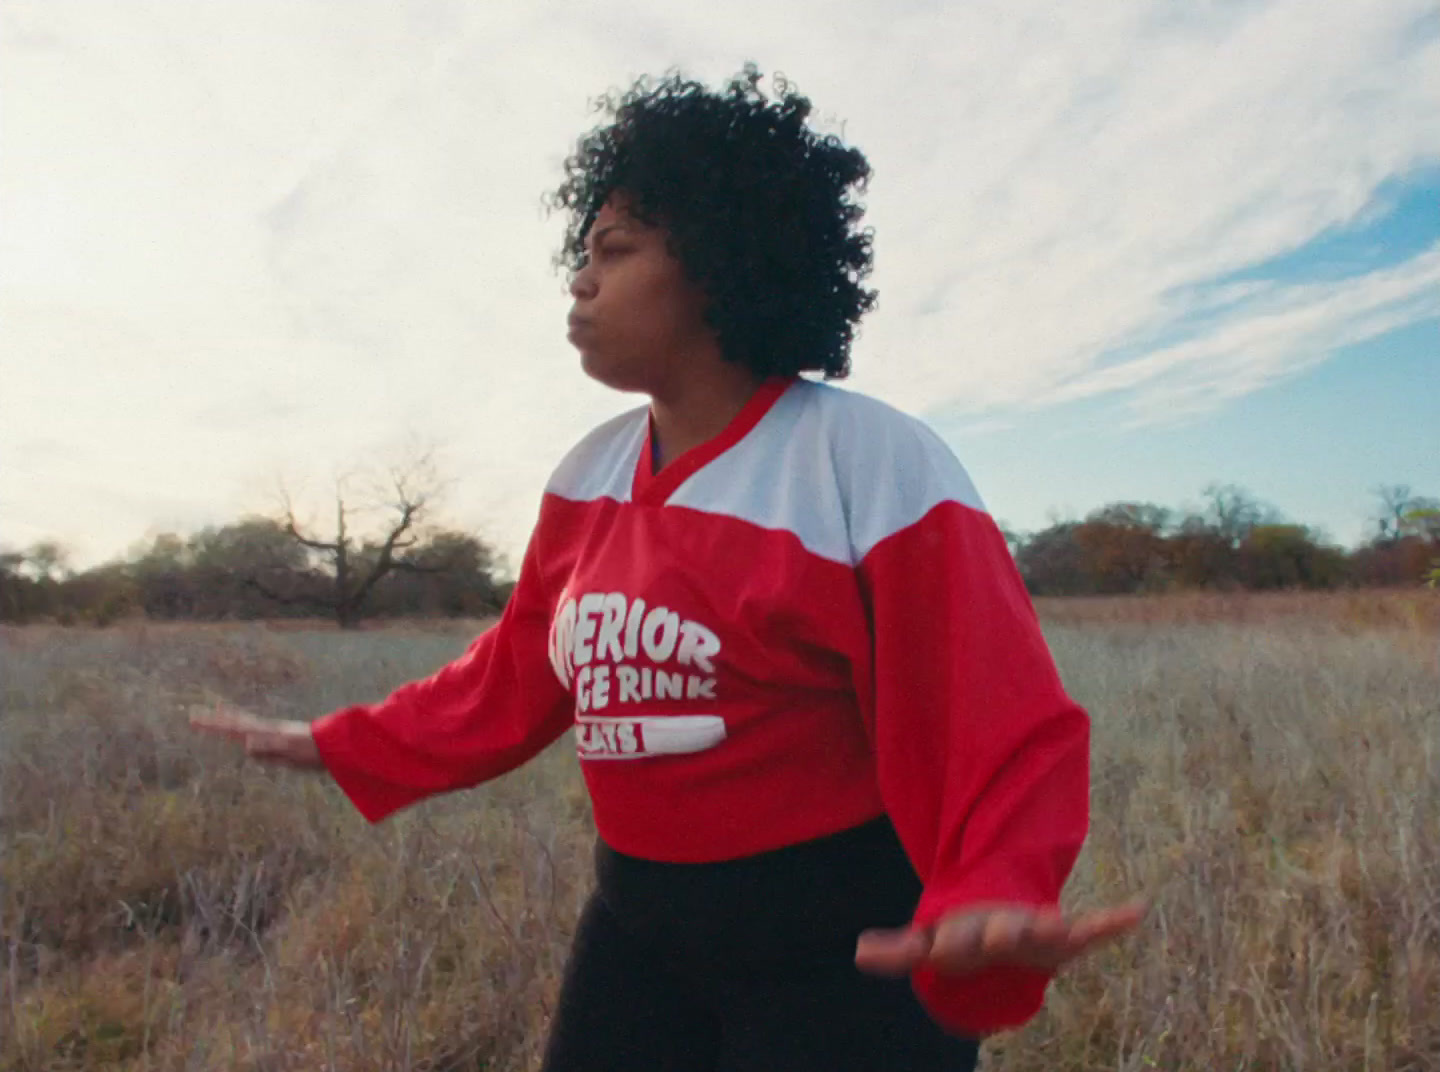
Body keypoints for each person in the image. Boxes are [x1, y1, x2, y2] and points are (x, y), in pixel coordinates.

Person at [192, 66, 1144, 1071]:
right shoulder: (588, 474)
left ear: (717, 263)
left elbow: (996, 713)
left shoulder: (866, 460)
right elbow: (513, 675)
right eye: (583, 252)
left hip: (842, 948)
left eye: (616, 249)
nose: (580, 279)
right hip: (637, 931)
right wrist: (344, 742)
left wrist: (993, 882)